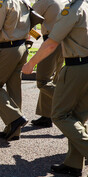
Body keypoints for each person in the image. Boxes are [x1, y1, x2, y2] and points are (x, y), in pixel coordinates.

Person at [22, 0, 88, 177]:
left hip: (76, 67)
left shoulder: (73, 10)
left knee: (59, 115)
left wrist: (30, 64)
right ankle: (73, 163)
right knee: (77, 117)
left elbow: (52, 43)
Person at [0, 0, 30, 141]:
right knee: (14, 88)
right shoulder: (24, 1)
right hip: (22, 46)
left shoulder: (2, 3)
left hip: (8, 48)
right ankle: (14, 130)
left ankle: (15, 119)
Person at [30, 0, 66, 128]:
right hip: (62, 43)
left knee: (43, 81)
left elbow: (28, 17)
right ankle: (46, 115)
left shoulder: (44, 1)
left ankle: (70, 102)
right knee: (51, 80)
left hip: (51, 43)